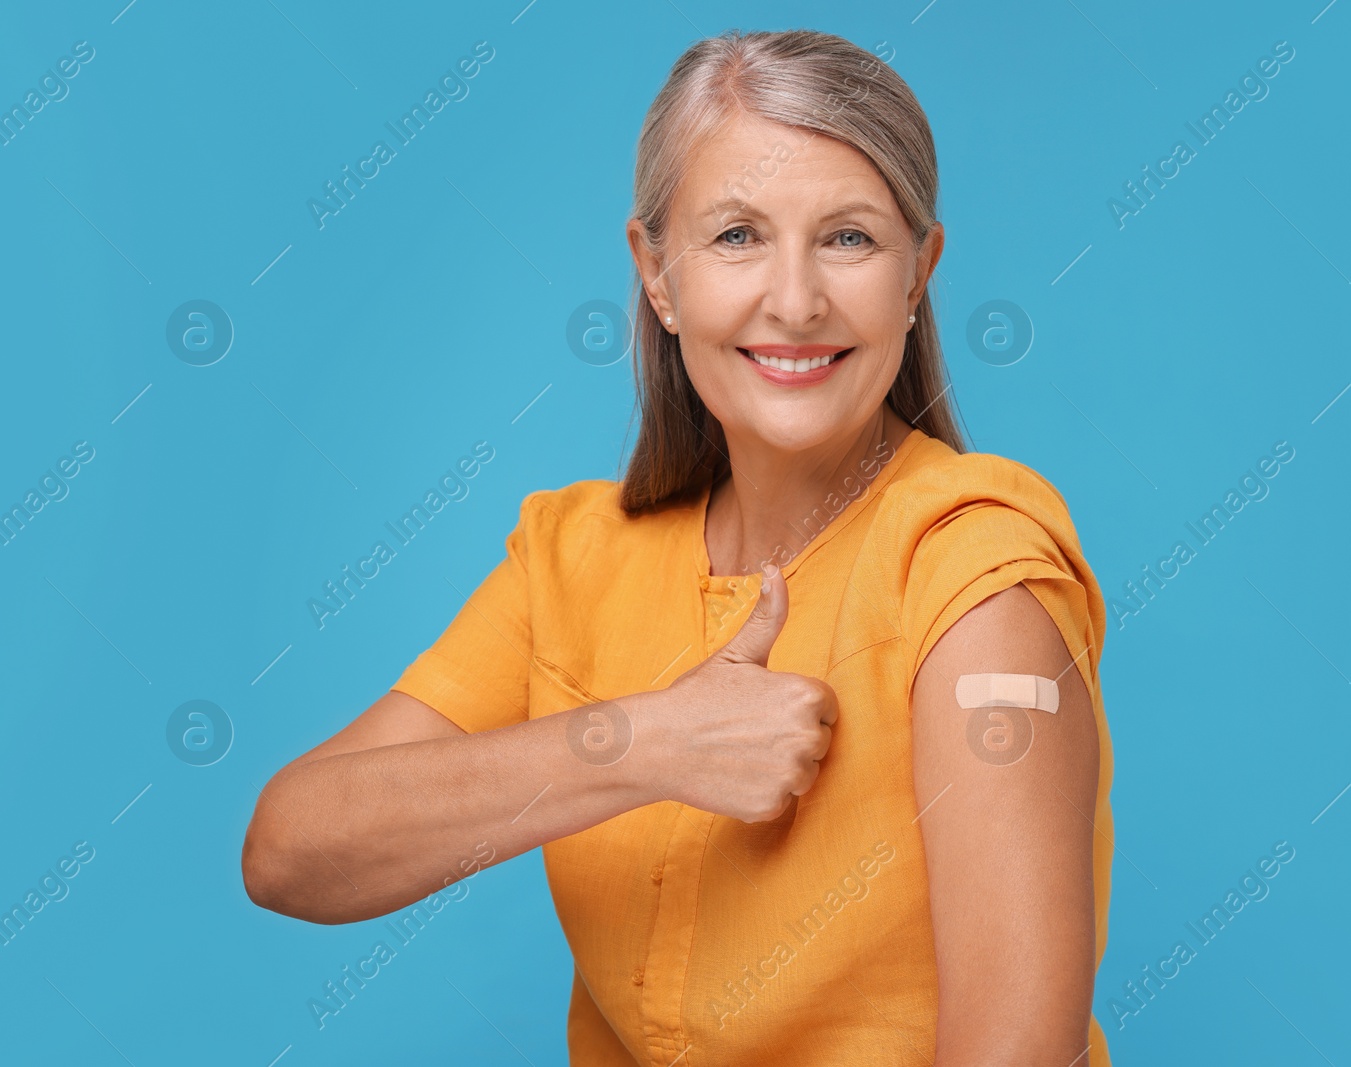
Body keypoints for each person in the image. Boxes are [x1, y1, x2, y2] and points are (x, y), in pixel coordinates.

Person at [242, 28, 1114, 1066]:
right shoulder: (574, 554)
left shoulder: (969, 582)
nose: (794, 301)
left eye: (848, 238)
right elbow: (291, 849)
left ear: (918, 272)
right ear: (656, 272)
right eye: (738, 235)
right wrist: (648, 741)